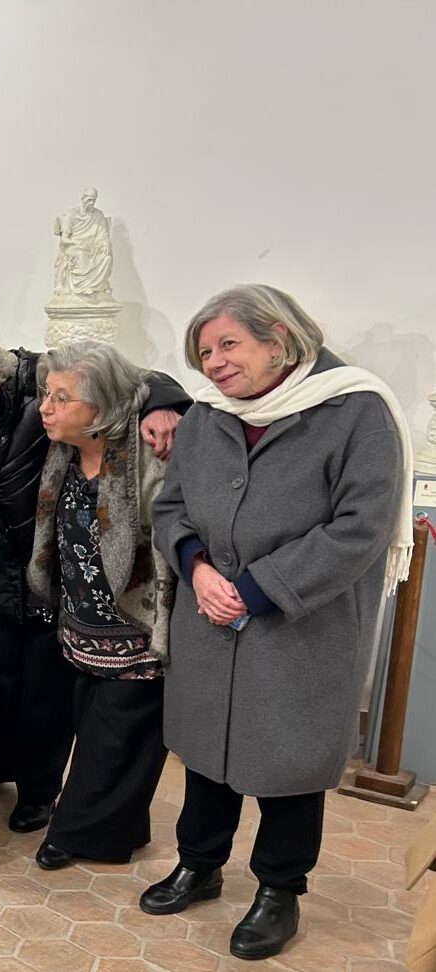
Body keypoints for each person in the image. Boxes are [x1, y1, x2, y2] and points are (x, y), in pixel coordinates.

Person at [142, 285, 410, 961]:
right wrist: (197, 566)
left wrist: (257, 588)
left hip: (301, 625)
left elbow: (361, 528)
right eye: (204, 353)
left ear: (279, 339)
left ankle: (279, 891)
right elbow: (171, 506)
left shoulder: (356, 410)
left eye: (228, 344)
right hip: (210, 612)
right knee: (206, 753)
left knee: (290, 763)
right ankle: (199, 865)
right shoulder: (208, 414)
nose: (215, 363)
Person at [0, 327, 188, 833]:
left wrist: (164, 403)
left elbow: (117, 376)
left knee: (45, 694)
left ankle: (38, 790)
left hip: (45, 572)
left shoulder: (31, 397)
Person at [24, 343, 175, 873]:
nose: (45, 408)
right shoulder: (63, 451)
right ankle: (124, 828)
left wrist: (166, 401)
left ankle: (73, 833)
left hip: (137, 628)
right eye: (47, 394)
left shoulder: (148, 453)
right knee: (104, 735)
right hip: (81, 627)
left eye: (61, 398)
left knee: (114, 739)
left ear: (102, 407)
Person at [52, 188, 113, 299]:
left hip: (92, 248)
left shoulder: (98, 215)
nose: (91, 203)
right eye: (89, 200)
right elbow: (64, 240)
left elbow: (103, 235)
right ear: (83, 198)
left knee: (106, 256)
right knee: (80, 254)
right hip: (74, 247)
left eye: (94, 200)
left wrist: (105, 245)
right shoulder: (71, 215)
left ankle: (96, 288)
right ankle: (83, 287)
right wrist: (77, 243)